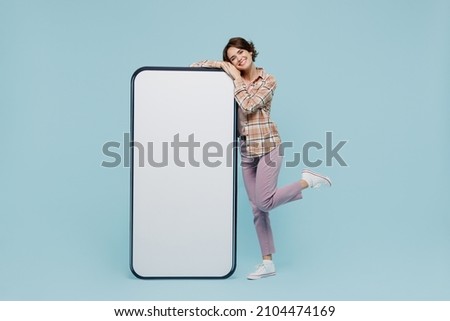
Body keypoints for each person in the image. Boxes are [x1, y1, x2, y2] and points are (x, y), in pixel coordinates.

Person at [191, 37, 332, 280]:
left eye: (241, 53)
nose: (238, 59)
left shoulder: (268, 80)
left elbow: (248, 105)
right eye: (232, 57)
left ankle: (307, 181)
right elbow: (194, 67)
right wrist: (221, 66)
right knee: (257, 209)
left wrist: (235, 78)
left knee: (264, 201)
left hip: (268, 148)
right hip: (246, 151)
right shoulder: (230, 75)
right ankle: (267, 263)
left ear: (250, 51)